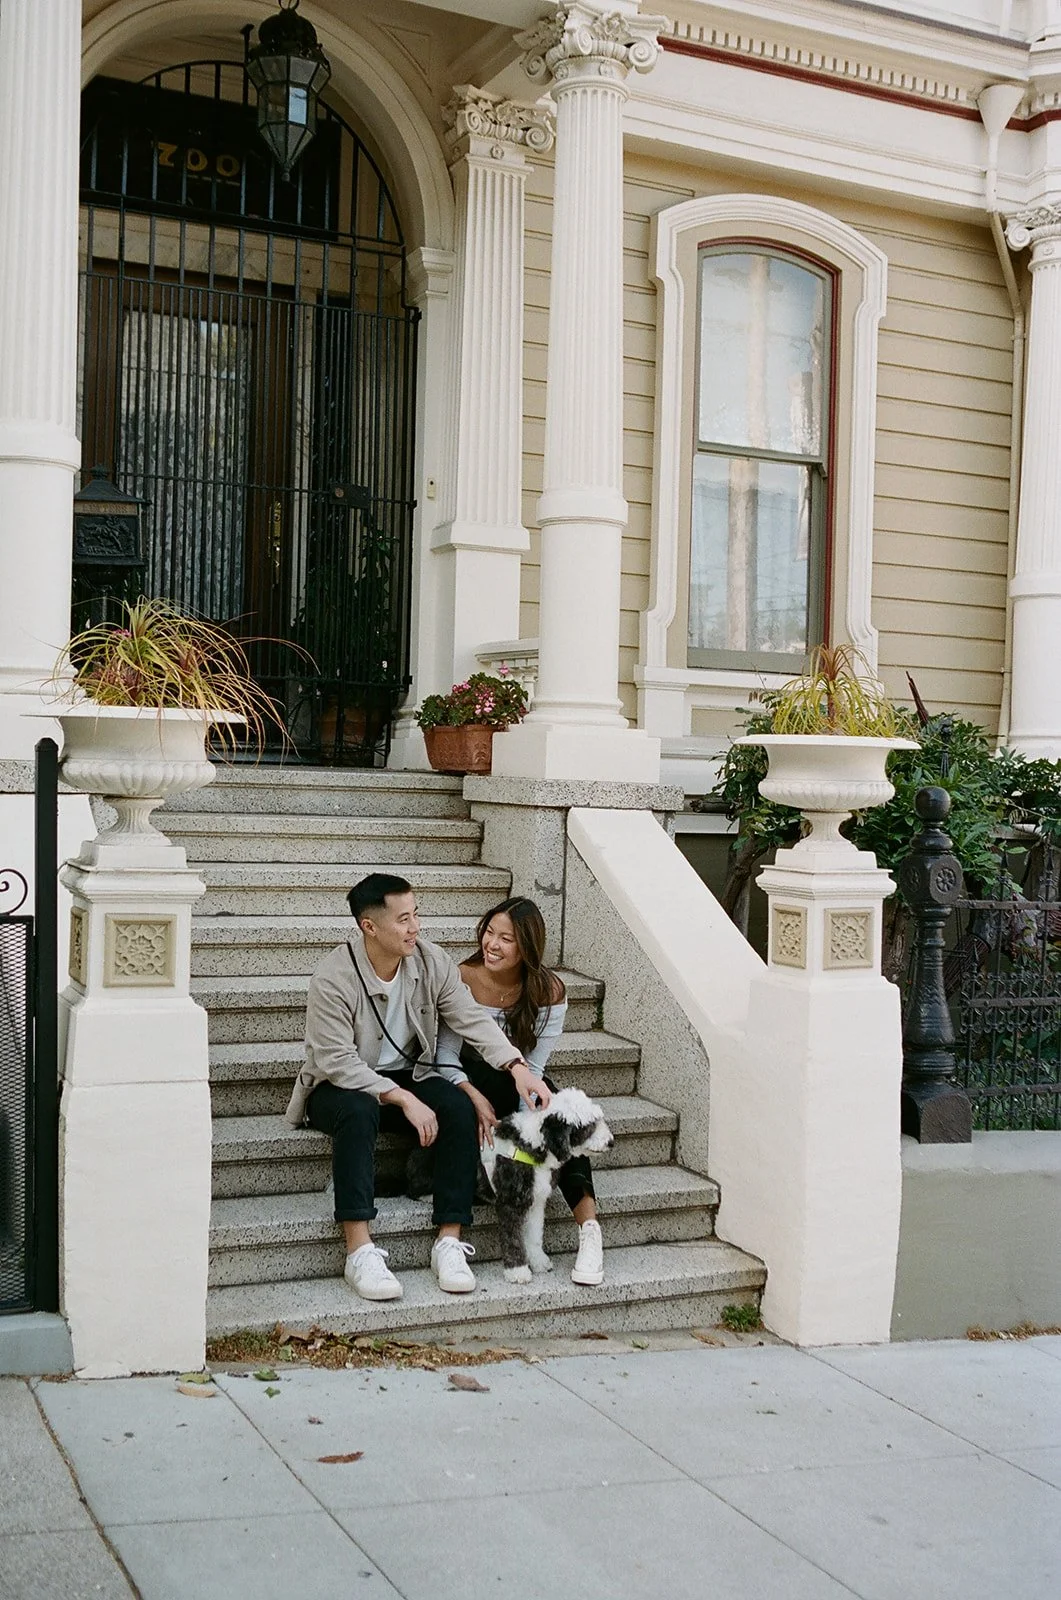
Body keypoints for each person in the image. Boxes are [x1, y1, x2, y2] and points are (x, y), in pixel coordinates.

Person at [285, 873, 549, 1303]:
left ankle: (449, 1240)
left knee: (457, 1106)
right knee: (358, 1111)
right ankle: (359, 1249)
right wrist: (401, 1097)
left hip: (409, 1075)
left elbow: (470, 1018)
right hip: (339, 1085)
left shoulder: (431, 961)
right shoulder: (333, 977)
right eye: (404, 919)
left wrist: (516, 1066)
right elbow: (336, 1061)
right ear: (369, 926)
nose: (415, 928)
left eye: (417, 915)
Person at [434, 895, 606, 1287]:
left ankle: (590, 1232)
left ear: (527, 946)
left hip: (520, 1082)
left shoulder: (550, 991)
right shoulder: (463, 977)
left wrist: (526, 1123)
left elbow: (535, 1068)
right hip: (465, 1082)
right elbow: (445, 1057)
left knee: (560, 1113)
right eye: (489, 933)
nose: (492, 944)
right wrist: (473, 1097)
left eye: (505, 939)